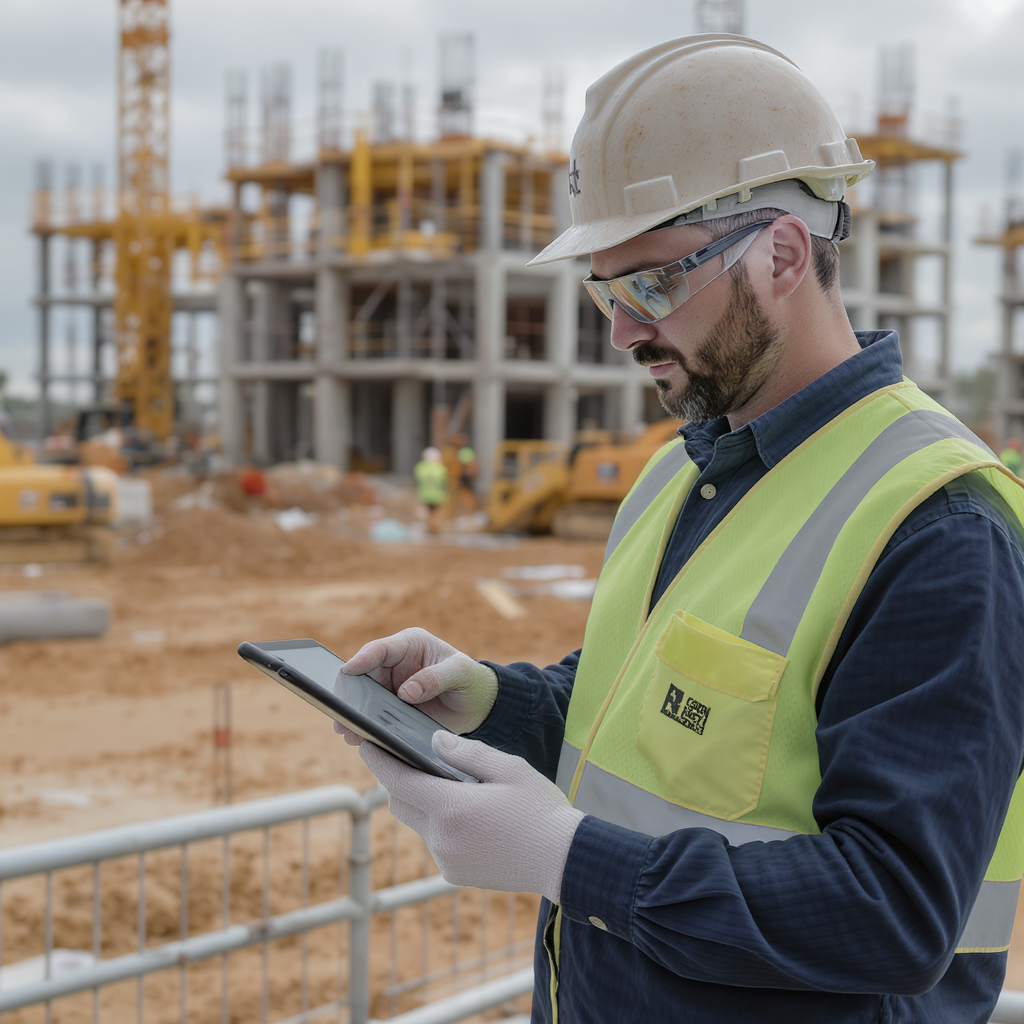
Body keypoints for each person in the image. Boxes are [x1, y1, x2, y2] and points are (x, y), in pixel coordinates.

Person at [338, 36, 1024, 1024]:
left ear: (783, 254)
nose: (622, 330)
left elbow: (894, 908)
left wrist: (569, 859)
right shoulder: (679, 471)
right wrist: (486, 700)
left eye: (650, 285)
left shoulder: (938, 526)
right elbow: (642, 711)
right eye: (604, 291)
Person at [413, 446, 448, 533]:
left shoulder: (420, 467)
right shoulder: (441, 468)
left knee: (427, 514)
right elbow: (444, 483)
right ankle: (434, 529)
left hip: (424, 494)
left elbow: (417, 482)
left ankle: (430, 528)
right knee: (435, 514)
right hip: (438, 495)